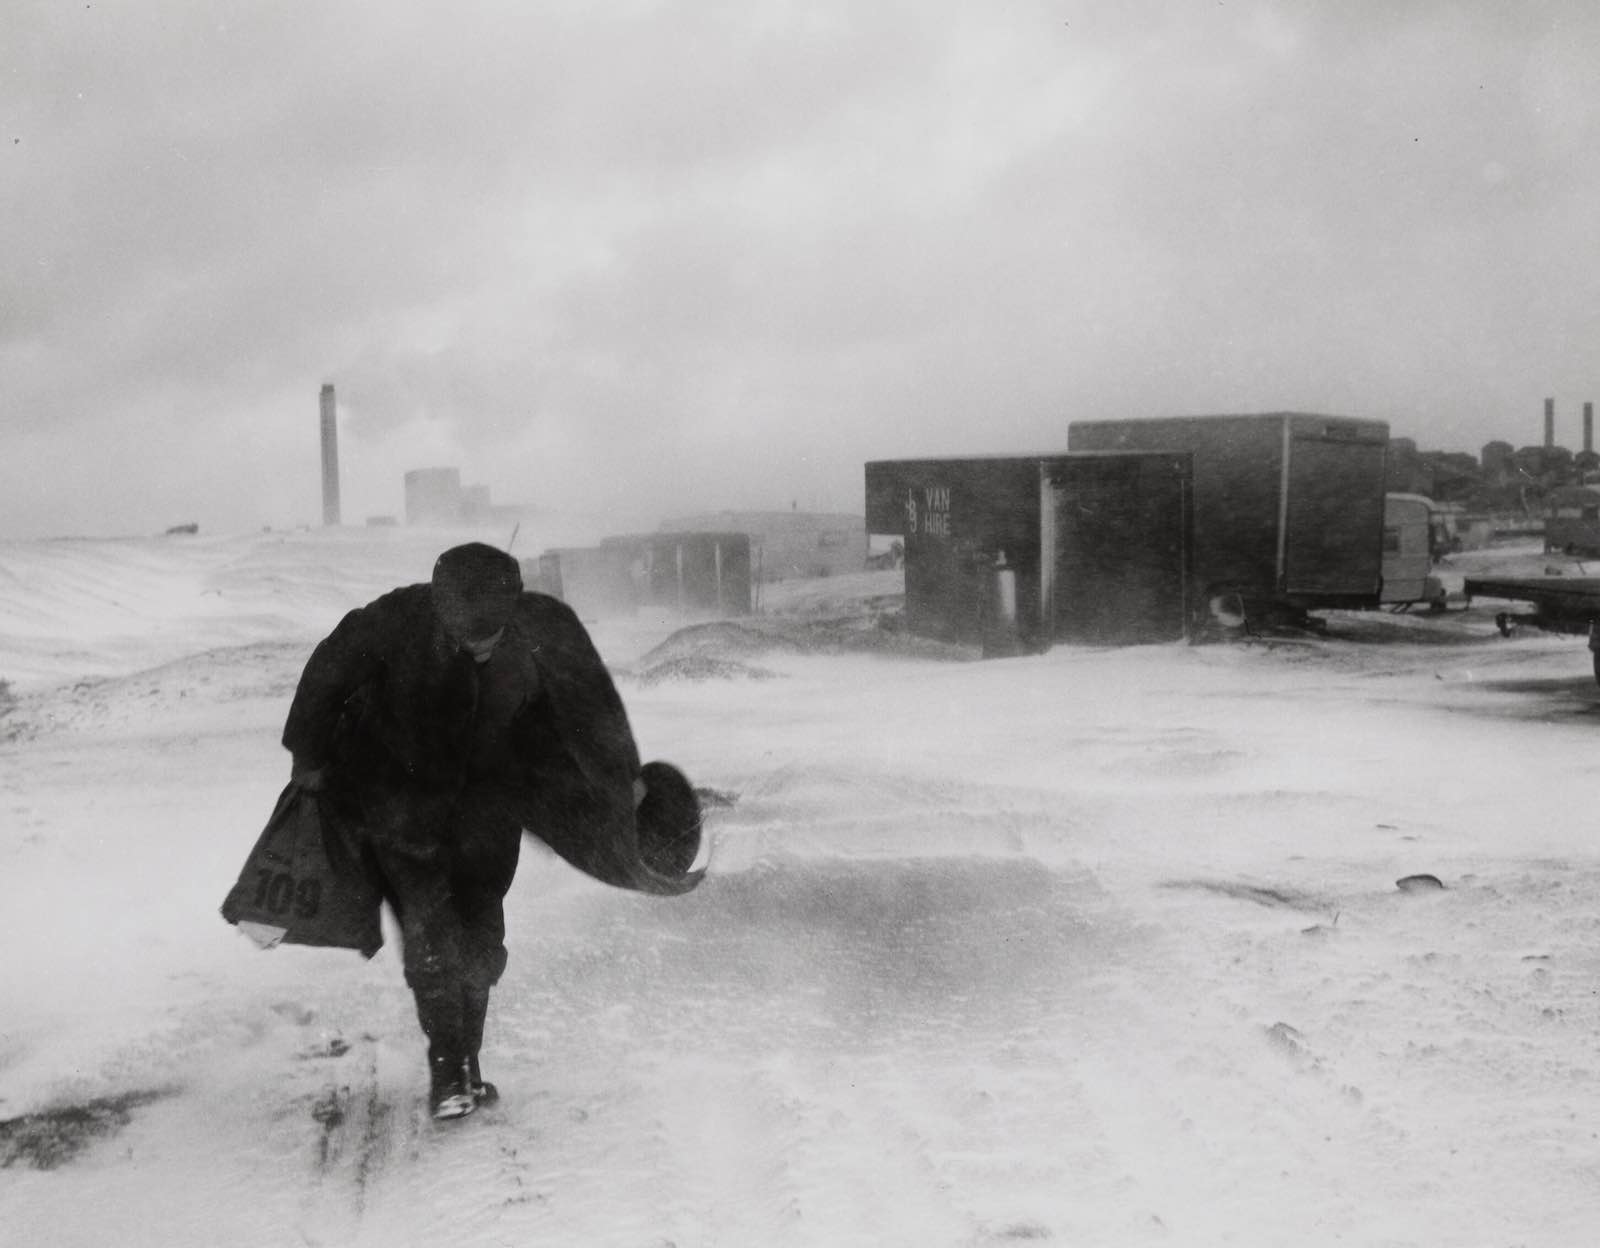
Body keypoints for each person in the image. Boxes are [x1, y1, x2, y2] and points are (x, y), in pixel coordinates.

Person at [280, 542, 702, 1120]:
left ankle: (467, 1062)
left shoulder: (541, 628)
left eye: (491, 633)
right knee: (429, 928)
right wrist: (309, 759)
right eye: (466, 633)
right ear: (440, 603)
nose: (480, 646)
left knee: (480, 932)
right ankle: (448, 1071)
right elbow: (324, 678)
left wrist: (622, 781)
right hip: (403, 807)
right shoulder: (392, 622)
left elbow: (592, 707)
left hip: (491, 803)